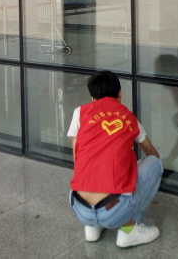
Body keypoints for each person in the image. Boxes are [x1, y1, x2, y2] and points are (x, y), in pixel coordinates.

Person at [67, 71, 163, 248]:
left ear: (92, 97)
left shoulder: (80, 112)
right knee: (155, 164)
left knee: (88, 169)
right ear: (120, 93)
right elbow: (152, 153)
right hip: (114, 210)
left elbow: (77, 157)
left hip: (79, 207)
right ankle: (128, 230)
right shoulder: (128, 117)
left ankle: (92, 227)